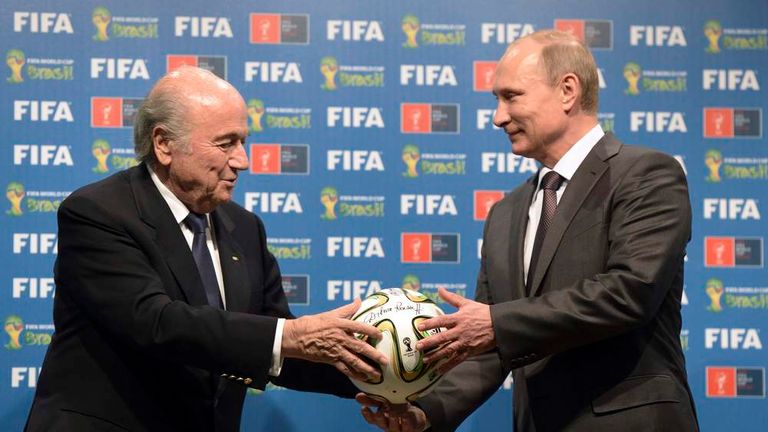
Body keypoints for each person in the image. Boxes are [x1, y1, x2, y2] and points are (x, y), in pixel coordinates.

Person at [359, 30, 698, 431]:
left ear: (567, 90)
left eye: (511, 96)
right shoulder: (505, 213)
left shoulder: (645, 174)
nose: (497, 116)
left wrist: (497, 324)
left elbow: (630, 292)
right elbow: (488, 347)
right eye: (496, 101)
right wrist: (427, 412)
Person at [26, 66, 387, 432]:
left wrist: (390, 381)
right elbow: (156, 322)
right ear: (164, 143)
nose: (242, 160)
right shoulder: (99, 212)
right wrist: (288, 336)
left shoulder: (244, 228)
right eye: (225, 143)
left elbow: (281, 351)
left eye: (243, 142)